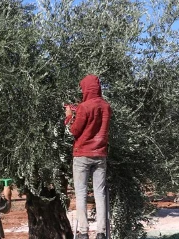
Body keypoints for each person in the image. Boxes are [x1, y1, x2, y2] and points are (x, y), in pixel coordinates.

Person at [65, 74, 112, 239]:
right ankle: (101, 232)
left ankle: (83, 232)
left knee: (81, 192)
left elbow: (74, 131)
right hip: (100, 154)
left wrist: (70, 115)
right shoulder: (106, 106)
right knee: (100, 193)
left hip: (82, 155)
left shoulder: (84, 107)